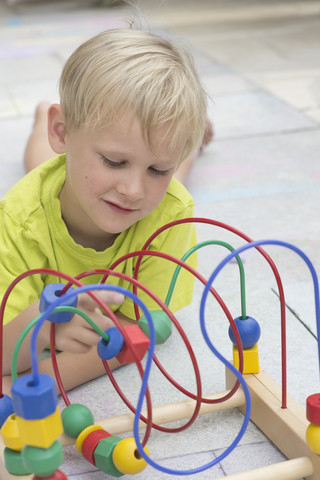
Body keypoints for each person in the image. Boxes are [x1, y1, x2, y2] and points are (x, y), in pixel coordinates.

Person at [0, 28, 209, 396]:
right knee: (41, 167)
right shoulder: (17, 222)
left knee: (173, 188)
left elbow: (138, 332)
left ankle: (188, 148)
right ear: (62, 131)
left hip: (123, 191)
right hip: (51, 181)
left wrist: (39, 381)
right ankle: (39, 121)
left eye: (158, 169)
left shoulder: (171, 212)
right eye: (114, 161)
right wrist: (42, 327)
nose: (133, 189)